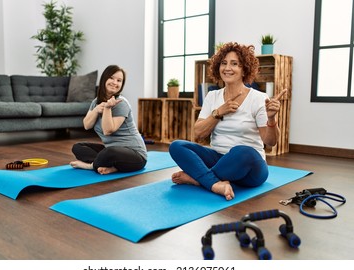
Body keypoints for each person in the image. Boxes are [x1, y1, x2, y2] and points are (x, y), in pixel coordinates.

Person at [169, 42, 286, 200]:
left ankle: (199, 179)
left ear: (244, 69)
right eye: (223, 63)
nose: (227, 68)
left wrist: (271, 118)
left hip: (249, 166)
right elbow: (198, 132)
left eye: (234, 64)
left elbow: (270, 141)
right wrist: (218, 112)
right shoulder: (213, 97)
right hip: (219, 158)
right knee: (177, 146)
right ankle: (214, 182)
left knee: (242, 151)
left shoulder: (258, 98)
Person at [70, 65, 147, 174]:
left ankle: (91, 166)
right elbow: (87, 125)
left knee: (109, 152)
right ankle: (111, 166)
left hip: (136, 156)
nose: (115, 82)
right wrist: (96, 109)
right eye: (111, 78)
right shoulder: (96, 102)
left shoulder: (121, 103)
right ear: (104, 79)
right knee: (78, 147)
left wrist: (107, 108)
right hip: (112, 151)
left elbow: (107, 130)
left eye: (119, 80)